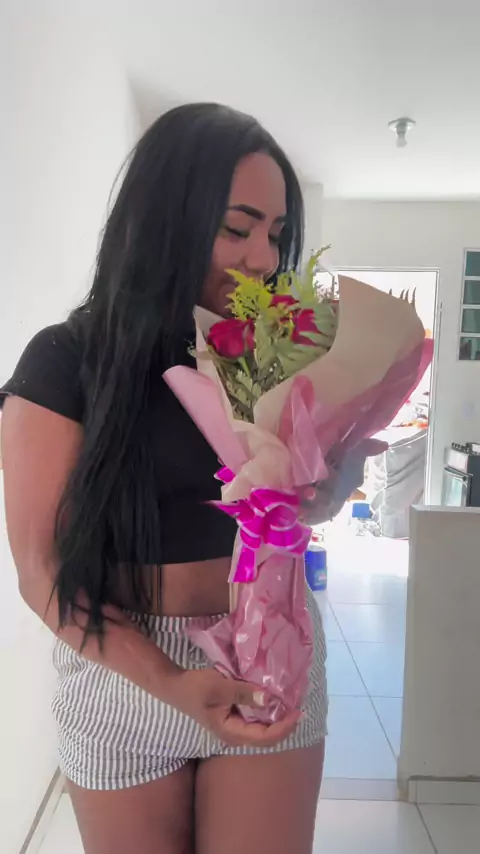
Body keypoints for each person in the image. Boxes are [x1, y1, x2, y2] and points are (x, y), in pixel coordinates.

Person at [1, 104, 364, 854]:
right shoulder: (66, 361)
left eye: (276, 232)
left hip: (271, 647)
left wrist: (327, 485)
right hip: (122, 665)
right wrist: (167, 680)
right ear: (167, 218)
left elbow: (293, 492)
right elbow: (40, 570)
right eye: (238, 228)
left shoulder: (274, 353)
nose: (264, 256)